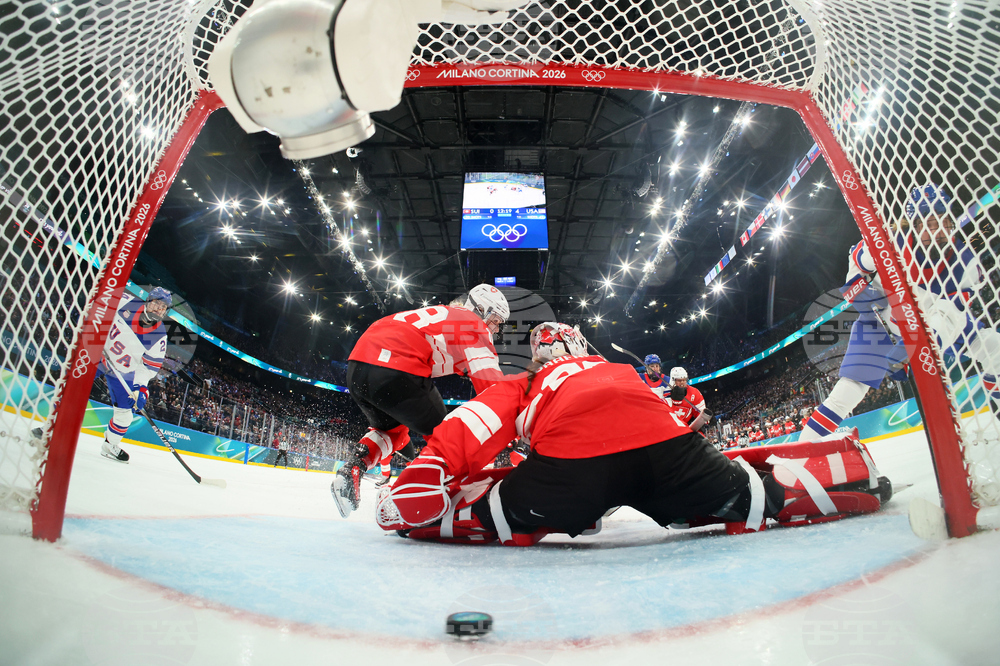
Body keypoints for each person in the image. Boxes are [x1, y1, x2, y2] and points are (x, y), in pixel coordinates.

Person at [375, 322, 891, 545]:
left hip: (573, 469)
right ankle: (807, 482)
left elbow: (476, 421)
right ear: (580, 345)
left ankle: (445, 517)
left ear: (541, 355)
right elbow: (666, 417)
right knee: (747, 494)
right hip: (667, 451)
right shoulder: (618, 369)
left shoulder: (529, 381)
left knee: (492, 513)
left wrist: (431, 465)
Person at [800, 183, 1000, 440]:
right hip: (881, 322)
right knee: (849, 390)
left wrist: (914, 348)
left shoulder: (966, 264)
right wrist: (858, 290)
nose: (938, 229)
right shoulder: (885, 241)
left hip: (936, 325)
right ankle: (805, 446)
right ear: (914, 225)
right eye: (929, 223)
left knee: (994, 348)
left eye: (944, 220)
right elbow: (855, 264)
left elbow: (949, 316)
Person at [333, 283, 509, 517]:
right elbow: (494, 389)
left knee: (393, 432)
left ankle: (352, 470)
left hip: (358, 366)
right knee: (447, 437)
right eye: (495, 319)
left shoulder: (445, 315)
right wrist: (515, 429)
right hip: (396, 364)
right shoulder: (473, 323)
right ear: (480, 309)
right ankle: (408, 497)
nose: (495, 328)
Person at [94, 287, 171, 463]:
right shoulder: (126, 302)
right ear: (148, 300)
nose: (159, 309)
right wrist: (95, 334)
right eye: (157, 303)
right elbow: (99, 308)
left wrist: (140, 388)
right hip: (98, 355)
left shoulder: (159, 336)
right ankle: (51, 426)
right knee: (74, 387)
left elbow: (149, 367)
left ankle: (110, 445)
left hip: (122, 371)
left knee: (125, 414)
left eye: (164, 307)